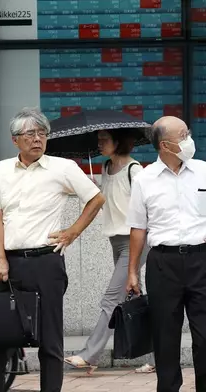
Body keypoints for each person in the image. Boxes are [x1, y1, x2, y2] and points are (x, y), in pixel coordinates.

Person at [0, 107, 105, 392]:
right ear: (15, 140)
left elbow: (96, 199)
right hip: (10, 263)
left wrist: (73, 232)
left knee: (50, 341)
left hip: (46, 263)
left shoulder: (62, 168)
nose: (37, 139)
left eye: (42, 133)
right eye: (30, 134)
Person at [126, 116, 206, 392]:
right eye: (183, 136)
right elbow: (138, 228)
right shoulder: (144, 179)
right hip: (163, 263)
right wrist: (132, 271)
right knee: (165, 336)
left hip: (201, 259)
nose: (189, 140)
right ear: (165, 145)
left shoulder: (203, 171)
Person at [64, 128, 154, 374]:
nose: (99, 143)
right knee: (134, 298)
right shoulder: (105, 167)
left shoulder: (135, 170)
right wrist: (94, 191)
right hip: (116, 241)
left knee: (111, 299)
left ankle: (90, 354)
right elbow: (110, 203)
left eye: (104, 139)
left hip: (135, 241)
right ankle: (158, 356)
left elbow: (147, 207)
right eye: (99, 139)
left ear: (119, 141)